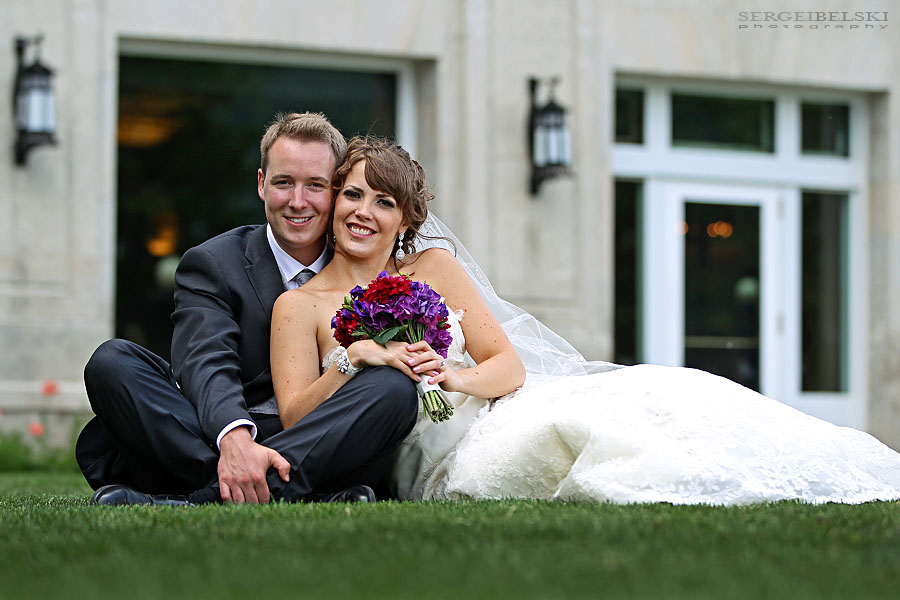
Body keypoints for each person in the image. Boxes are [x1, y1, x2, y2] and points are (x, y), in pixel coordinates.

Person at [273, 135, 900, 505]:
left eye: (384, 202)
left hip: (487, 414)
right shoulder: (297, 307)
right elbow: (299, 420)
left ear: (407, 221)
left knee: (654, 395)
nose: (363, 212)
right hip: (429, 457)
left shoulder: (434, 268)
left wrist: (450, 378)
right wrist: (359, 356)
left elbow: (508, 367)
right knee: (583, 444)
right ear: (332, 203)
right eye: (352, 194)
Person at [76, 113, 419, 506]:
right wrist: (235, 439)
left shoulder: (367, 259)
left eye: (315, 186)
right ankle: (289, 490)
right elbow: (205, 361)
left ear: (336, 190)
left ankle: (200, 500)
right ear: (261, 184)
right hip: (215, 432)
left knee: (393, 389)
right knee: (111, 362)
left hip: (327, 435)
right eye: (283, 183)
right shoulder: (213, 263)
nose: (297, 201)